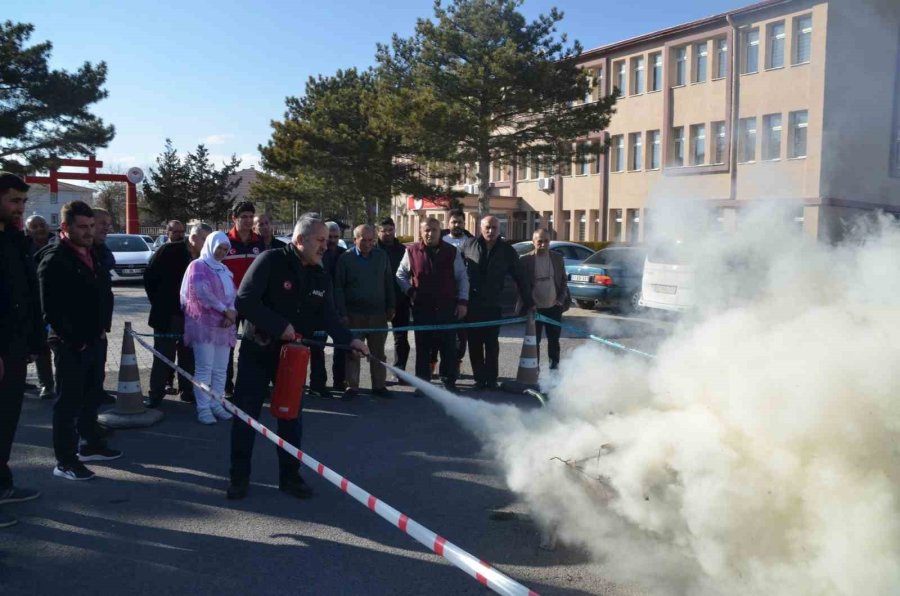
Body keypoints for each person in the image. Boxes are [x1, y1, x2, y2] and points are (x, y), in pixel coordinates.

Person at [227, 214, 368, 500]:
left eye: (326, 242)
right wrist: (279, 326)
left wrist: (349, 340)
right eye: (319, 241)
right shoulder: (270, 260)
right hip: (258, 352)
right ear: (300, 240)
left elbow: (328, 316)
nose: (325, 247)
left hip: (291, 359)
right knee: (246, 417)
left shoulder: (320, 274)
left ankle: (290, 477)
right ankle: (239, 478)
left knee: (291, 419)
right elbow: (244, 300)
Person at [37, 201, 121, 482]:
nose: (89, 232)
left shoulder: (92, 253)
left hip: (95, 339)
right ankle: (65, 460)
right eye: (82, 227)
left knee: (91, 395)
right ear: (65, 227)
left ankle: (91, 444)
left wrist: (100, 330)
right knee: (67, 403)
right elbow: (51, 309)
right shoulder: (55, 259)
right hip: (71, 345)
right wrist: (75, 341)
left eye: (91, 226)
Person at [0, 173, 44, 528]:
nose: (20, 208)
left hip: (14, 349)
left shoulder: (15, 238)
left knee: (7, 423)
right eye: (14, 201)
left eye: (23, 201)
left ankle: (2, 485)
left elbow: (24, 296)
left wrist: (30, 344)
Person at [459, 215, 531, 390]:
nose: (491, 231)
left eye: (494, 228)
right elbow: (458, 272)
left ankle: (491, 379)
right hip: (473, 304)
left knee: (491, 344)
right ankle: (479, 379)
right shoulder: (468, 245)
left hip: (494, 304)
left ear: (499, 230)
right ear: (480, 228)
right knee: (474, 344)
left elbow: (520, 277)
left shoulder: (507, 250)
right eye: (487, 227)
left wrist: (528, 302)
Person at [396, 217, 468, 391]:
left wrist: (462, 301)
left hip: (447, 308)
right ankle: (423, 385)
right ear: (421, 232)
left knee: (448, 348)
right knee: (423, 349)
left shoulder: (452, 251)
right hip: (423, 309)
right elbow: (400, 275)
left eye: (434, 230)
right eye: (426, 230)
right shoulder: (412, 251)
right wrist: (410, 292)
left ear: (440, 232)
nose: (430, 233)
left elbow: (462, 278)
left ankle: (448, 383)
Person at [180, 231, 237, 424]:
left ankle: (216, 404)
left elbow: (232, 295)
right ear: (210, 246)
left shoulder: (224, 269)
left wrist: (231, 313)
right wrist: (225, 310)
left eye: (225, 249)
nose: (221, 252)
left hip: (223, 326)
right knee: (204, 368)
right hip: (204, 326)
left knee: (220, 370)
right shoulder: (198, 265)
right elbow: (201, 292)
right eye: (219, 247)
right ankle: (203, 408)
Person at [333, 224, 394, 399]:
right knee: (353, 353)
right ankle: (352, 387)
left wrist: (391, 306)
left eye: (371, 240)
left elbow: (388, 282)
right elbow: (338, 288)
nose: (368, 244)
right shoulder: (345, 259)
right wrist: (342, 313)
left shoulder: (381, 256)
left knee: (378, 352)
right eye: (363, 240)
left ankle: (379, 386)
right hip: (354, 315)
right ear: (355, 240)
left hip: (377, 314)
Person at [144, 219, 195, 407]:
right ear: (168, 233)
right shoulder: (162, 252)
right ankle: (156, 393)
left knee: (187, 355)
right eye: (176, 232)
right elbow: (149, 279)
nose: (180, 235)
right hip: (166, 315)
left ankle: (187, 390)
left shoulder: (190, 253)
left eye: (182, 231)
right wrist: (159, 303)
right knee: (163, 356)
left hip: (186, 314)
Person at [222, 201, 265, 396]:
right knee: (228, 346)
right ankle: (226, 386)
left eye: (250, 217)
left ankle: (248, 385)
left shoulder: (259, 242)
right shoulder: (225, 242)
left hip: (253, 303)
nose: (248, 221)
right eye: (243, 217)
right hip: (230, 304)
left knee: (252, 346)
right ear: (234, 219)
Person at [520, 228, 569, 370]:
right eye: (539, 241)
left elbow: (564, 281)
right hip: (534, 309)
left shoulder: (557, 258)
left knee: (554, 341)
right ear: (533, 242)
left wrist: (560, 299)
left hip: (554, 307)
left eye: (546, 241)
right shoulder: (526, 260)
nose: (543, 244)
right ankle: (534, 371)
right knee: (533, 342)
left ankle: (554, 369)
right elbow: (522, 285)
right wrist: (529, 303)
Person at [308, 221, 346, 397]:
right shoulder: (315, 255)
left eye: (335, 237)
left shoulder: (343, 255)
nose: (332, 240)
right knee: (317, 348)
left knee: (341, 346)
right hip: (317, 309)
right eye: (329, 237)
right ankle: (318, 385)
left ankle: (340, 382)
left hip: (338, 309)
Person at [436, 209, 472, 375]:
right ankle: (432, 363)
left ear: (464, 223)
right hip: (441, 293)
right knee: (436, 332)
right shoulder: (439, 239)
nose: (457, 225)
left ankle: (456, 362)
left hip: (462, 294)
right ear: (448, 223)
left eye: (460, 222)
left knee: (460, 334)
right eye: (454, 222)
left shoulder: (471, 241)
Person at [24, 214, 56, 400]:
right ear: (28, 231)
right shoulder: (22, 248)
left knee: (62, 347)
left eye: (41, 225)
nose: (39, 229)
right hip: (33, 304)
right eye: (34, 226)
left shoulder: (57, 244)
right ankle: (46, 384)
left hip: (56, 302)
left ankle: (68, 382)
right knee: (41, 346)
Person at [376, 218, 410, 381]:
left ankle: (399, 371)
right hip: (378, 301)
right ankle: (378, 374)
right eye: (384, 230)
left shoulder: (404, 250)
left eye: (390, 230)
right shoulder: (372, 249)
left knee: (401, 338)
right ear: (378, 231)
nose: (388, 233)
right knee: (377, 340)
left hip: (400, 300)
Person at [91, 208, 116, 406]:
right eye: (102, 223)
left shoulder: (102, 251)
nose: (106, 227)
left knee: (99, 361)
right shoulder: (78, 252)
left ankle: (98, 392)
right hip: (78, 329)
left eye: (108, 223)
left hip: (100, 321)